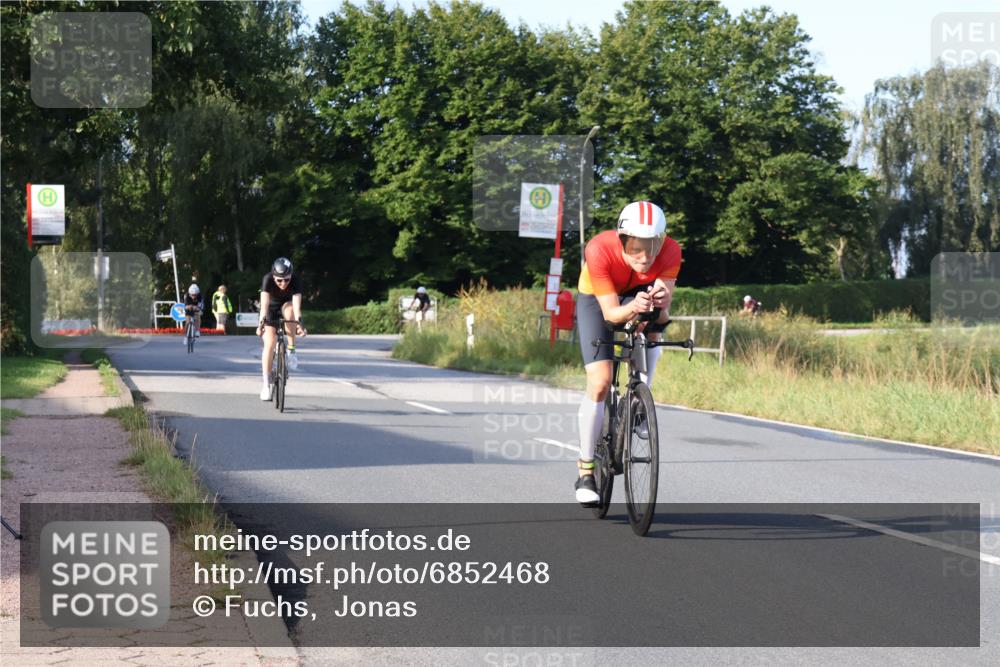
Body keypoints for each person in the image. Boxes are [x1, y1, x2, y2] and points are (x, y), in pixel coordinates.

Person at [573, 201, 682, 504]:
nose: (644, 257)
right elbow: (610, 315)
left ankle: (639, 402)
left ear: (662, 241)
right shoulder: (599, 249)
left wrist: (659, 304)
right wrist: (633, 306)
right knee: (600, 381)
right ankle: (586, 471)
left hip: (637, 293)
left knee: (654, 330)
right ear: (622, 239)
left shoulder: (672, 251)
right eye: (635, 247)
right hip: (598, 299)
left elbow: (662, 314)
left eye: (652, 247)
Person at [256, 257, 306, 400]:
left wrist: (300, 324)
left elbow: (297, 307)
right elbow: (264, 305)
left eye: (286, 280)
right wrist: (261, 324)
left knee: (290, 311)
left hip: (286, 306)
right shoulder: (267, 279)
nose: (283, 283)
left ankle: (291, 349)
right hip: (270, 310)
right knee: (270, 344)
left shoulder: (296, 280)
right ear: (273, 276)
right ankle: (266, 385)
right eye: (279, 280)